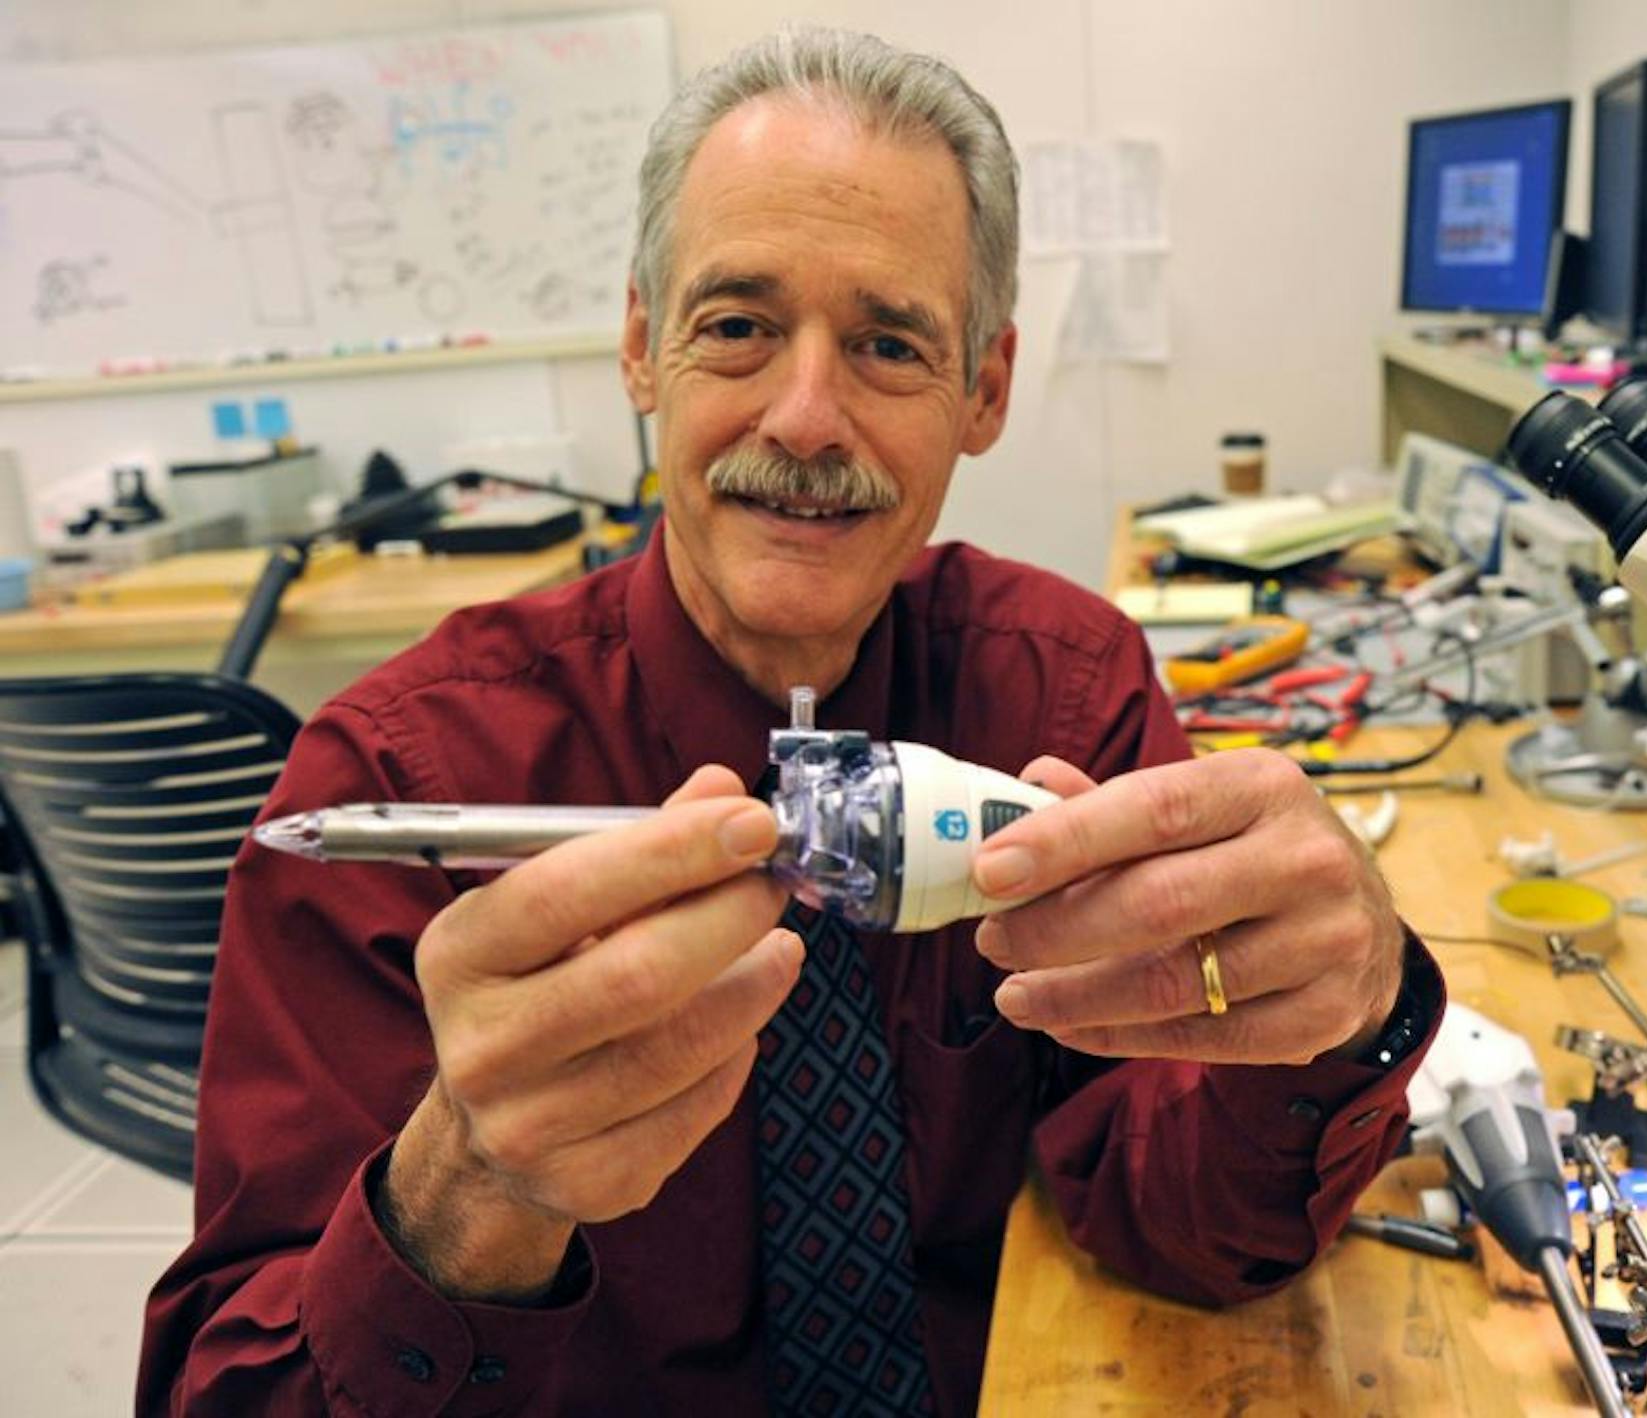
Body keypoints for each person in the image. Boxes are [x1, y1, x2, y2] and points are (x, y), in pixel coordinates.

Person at [140, 26, 1443, 1416]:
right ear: (645, 349)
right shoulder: (405, 779)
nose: (808, 416)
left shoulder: (1062, 689)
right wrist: (473, 1185)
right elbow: (229, 1388)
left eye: (888, 344)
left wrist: (1342, 1015)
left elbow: (1185, 1223)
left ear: (983, 392)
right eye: (740, 327)